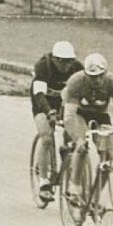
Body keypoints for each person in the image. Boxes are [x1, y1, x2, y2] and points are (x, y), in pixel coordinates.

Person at [61, 53, 113, 201]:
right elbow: (69, 117)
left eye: (100, 76)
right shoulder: (76, 82)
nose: (97, 80)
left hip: (101, 115)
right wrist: (78, 139)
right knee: (81, 148)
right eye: (92, 77)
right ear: (85, 74)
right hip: (79, 114)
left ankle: (94, 198)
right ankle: (74, 188)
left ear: (105, 73)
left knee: (107, 156)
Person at [31, 41, 84, 204]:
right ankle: (44, 182)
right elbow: (39, 95)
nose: (65, 66)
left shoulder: (77, 69)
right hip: (42, 102)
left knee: (72, 137)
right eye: (61, 61)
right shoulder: (43, 66)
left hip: (64, 103)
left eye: (68, 61)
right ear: (54, 59)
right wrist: (49, 112)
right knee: (46, 136)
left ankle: (68, 168)